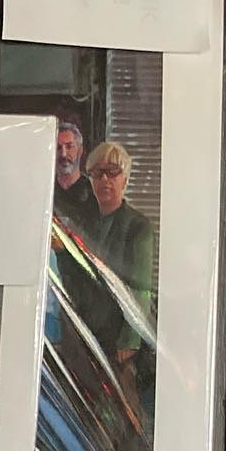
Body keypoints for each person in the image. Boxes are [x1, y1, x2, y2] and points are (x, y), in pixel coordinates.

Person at [83, 139, 156, 390]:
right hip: (90, 334)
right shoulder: (86, 223)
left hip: (121, 342)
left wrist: (130, 340)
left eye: (112, 172)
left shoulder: (139, 227)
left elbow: (140, 287)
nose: (105, 180)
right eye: (98, 173)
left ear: (125, 179)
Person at [52, 120, 98, 230]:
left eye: (69, 147)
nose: (63, 154)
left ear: (80, 150)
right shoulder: (46, 192)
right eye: (58, 148)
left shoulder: (94, 193)